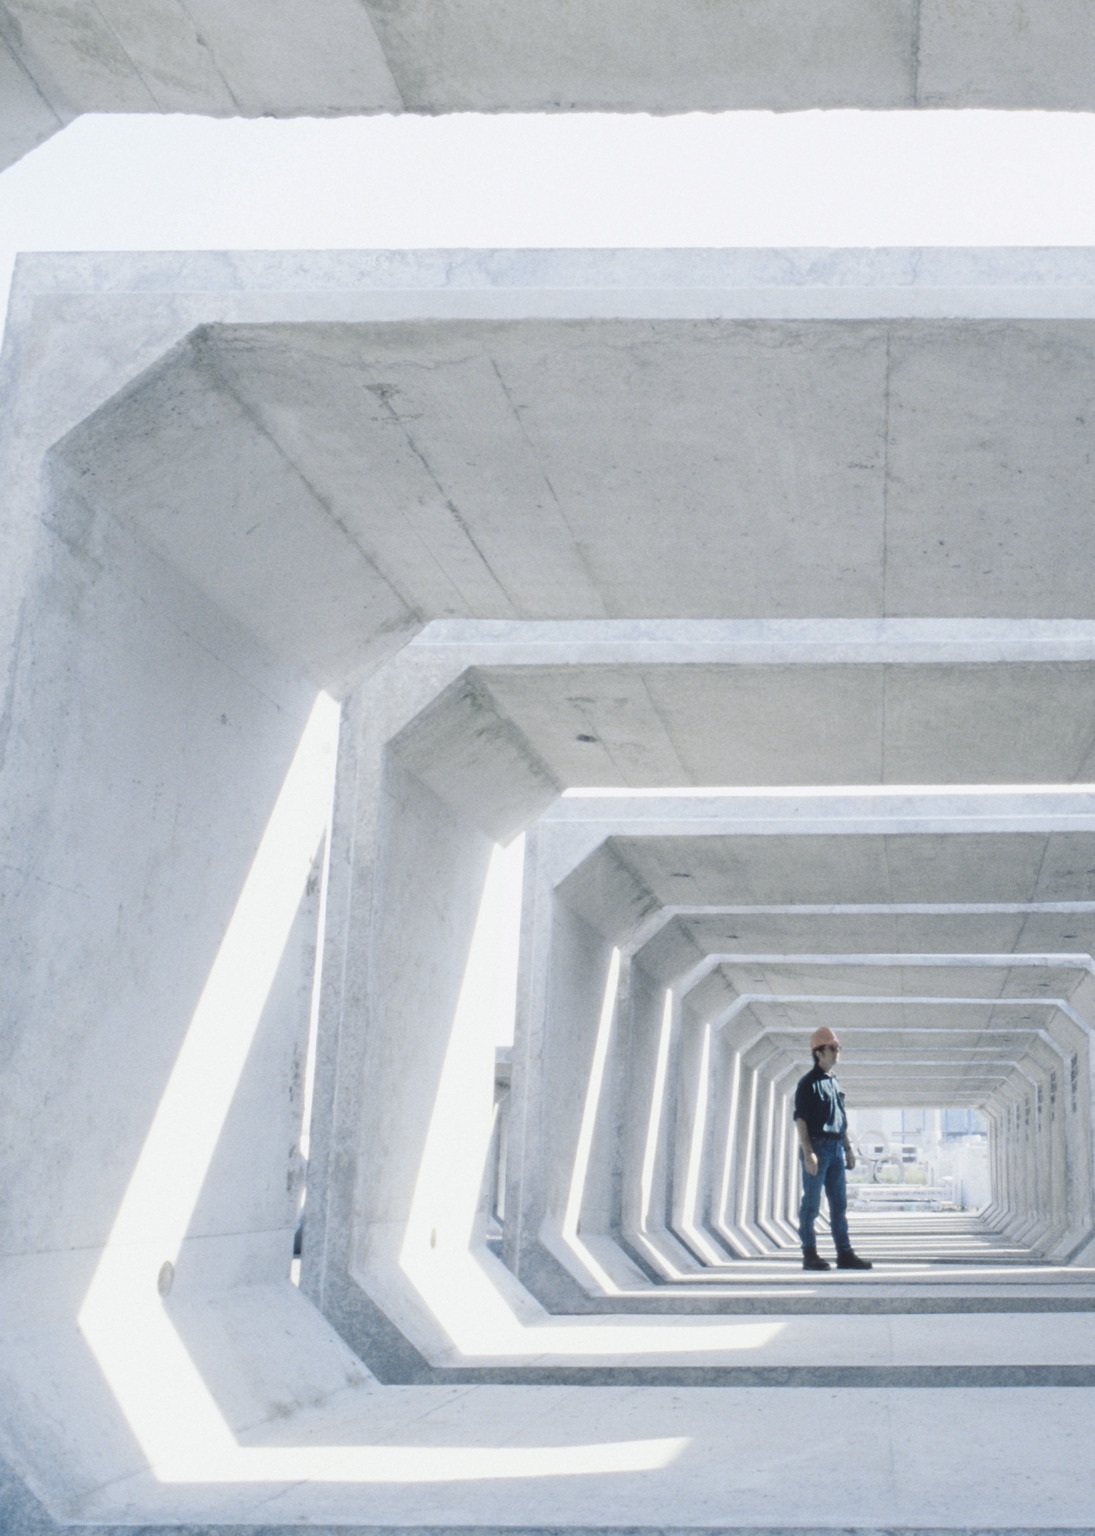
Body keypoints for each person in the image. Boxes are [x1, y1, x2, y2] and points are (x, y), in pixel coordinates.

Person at [793, 1027, 873, 1272]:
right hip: (817, 1146)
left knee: (839, 1204)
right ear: (819, 1053)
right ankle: (810, 1254)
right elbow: (801, 1120)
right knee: (812, 1205)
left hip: (836, 1147)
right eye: (833, 1048)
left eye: (838, 1048)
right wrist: (809, 1153)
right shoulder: (808, 1084)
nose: (838, 1052)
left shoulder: (834, 1082)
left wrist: (848, 1148)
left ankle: (845, 1254)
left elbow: (840, 1118)